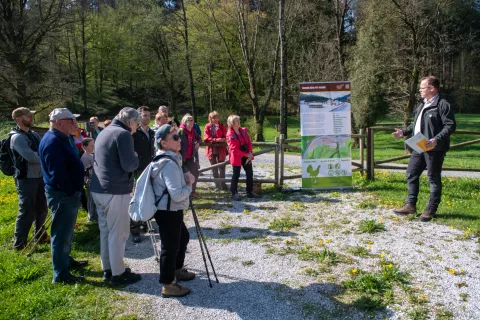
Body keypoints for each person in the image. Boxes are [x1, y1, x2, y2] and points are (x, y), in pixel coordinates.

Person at [392, 76, 456, 222]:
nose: (420, 90)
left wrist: (436, 139)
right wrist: (403, 132)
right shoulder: (422, 104)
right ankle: (410, 205)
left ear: (431, 88)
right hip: (419, 146)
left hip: (435, 149)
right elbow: (415, 125)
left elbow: (450, 125)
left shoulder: (442, 105)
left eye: (422, 88)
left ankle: (431, 209)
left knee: (433, 178)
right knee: (411, 173)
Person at [90, 107, 142, 286]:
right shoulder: (123, 134)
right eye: (136, 124)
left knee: (106, 232)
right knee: (118, 233)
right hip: (115, 190)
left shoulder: (105, 131)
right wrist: (136, 158)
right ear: (130, 122)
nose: (136, 128)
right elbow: (129, 165)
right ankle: (118, 275)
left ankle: (109, 269)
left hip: (98, 189)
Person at [39, 108, 87, 284]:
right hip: (62, 194)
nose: (75, 124)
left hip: (67, 193)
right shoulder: (52, 142)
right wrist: (71, 191)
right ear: (59, 122)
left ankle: (65, 261)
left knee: (66, 231)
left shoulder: (63, 137)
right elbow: (57, 174)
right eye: (71, 120)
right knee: (60, 233)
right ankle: (60, 274)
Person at [152, 124, 196, 297]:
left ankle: (177, 270)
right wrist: (189, 184)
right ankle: (168, 284)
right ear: (163, 143)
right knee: (169, 247)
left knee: (182, 238)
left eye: (179, 136)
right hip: (168, 210)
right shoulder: (168, 163)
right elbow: (177, 194)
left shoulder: (171, 158)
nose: (180, 140)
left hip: (169, 209)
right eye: (175, 138)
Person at [9, 107, 49, 250]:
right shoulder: (17, 137)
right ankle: (19, 243)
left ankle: (40, 235)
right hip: (25, 179)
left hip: (39, 176)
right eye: (28, 116)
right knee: (26, 209)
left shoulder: (34, 135)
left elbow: (41, 152)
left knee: (42, 207)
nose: (31, 118)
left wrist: (41, 156)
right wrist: (44, 158)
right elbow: (31, 157)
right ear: (19, 118)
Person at [130, 106, 155, 243]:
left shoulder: (151, 133)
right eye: (144, 115)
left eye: (148, 115)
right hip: (137, 170)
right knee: (136, 198)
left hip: (148, 168)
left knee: (148, 197)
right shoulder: (134, 133)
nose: (147, 117)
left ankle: (147, 222)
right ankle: (134, 229)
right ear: (138, 117)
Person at [226, 115, 260, 200]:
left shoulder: (243, 131)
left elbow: (249, 142)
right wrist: (246, 154)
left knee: (249, 173)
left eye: (238, 120)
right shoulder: (230, 134)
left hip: (246, 156)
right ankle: (234, 192)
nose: (238, 122)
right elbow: (233, 149)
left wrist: (250, 152)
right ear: (232, 123)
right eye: (236, 121)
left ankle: (249, 191)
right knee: (236, 175)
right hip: (237, 157)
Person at [179, 114, 202, 199]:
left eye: (192, 120)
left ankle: (192, 191)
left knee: (195, 172)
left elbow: (199, 138)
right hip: (182, 158)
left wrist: (198, 143)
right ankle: (184, 193)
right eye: (189, 120)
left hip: (190, 157)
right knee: (183, 175)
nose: (192, 122)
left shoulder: (192, 131)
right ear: (185, 122)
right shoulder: (181, 131)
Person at [204, 111, 228, 190]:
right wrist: (217, 139)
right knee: (214, 167)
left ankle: (223, 184)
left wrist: (218, 130)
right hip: (211, 150)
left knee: (222, 167)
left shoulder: (222, 126)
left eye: (217, 117)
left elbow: (225, 138)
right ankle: (217, 185)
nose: (215, 119)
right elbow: (206, 138)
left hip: (221, 150)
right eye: (213, 118)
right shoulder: (207, 126)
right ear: (210, 118)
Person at [80, 138, 97, 222]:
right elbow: (88, 171)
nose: (93, 147)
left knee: (94, 198)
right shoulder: (85, 157)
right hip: (90, 180)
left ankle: (94, 214)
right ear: (84, 147)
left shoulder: (91, 155)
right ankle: (91, 215)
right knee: (91, 198)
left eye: (93, 146)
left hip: (95, 179)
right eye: (91, 146)